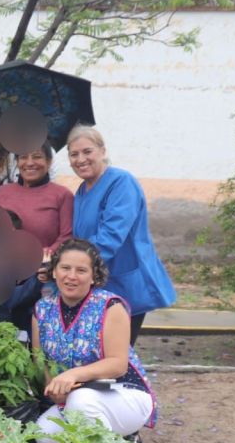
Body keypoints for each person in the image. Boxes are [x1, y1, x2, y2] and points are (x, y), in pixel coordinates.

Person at [33, 238, 156, 443]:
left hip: (124, 393)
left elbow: (118, 364)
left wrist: (72, 375)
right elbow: (39, 360)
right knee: (43, 434)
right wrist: (53, 389)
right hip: (74, 398)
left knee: (81, 401)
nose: (71, 276)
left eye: (81, 270)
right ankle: (118, 441)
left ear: (94, 276)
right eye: (65, 268)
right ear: (54, 272)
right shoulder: (42, 309)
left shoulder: (110, 306)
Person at [67, 125, 175, 344]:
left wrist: (70, 264)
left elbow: (109, 238)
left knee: (118, 355)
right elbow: (80, 238)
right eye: (74, 154)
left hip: (125, 284)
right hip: (98, 284)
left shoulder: (121, 183)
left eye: (87, 151)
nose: (81, 159)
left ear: (102, 151)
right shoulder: (82, 190)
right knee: (98, 353)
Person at [0, 141, 73, 255]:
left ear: (49, 162)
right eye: (23, 157)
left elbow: (66, 236)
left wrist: (46, 254)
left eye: (37, 157)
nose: (30, 163)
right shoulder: (2, 192)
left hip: (45, 263)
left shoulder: (63, 195)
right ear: (17, 162)